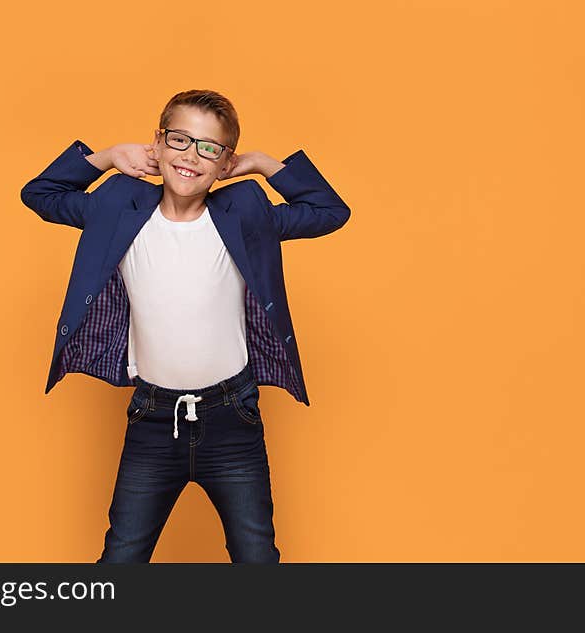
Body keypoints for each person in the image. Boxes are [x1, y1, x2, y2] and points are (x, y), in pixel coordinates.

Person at [20, 89, 350, 562]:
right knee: (122, 557)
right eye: (179, 140)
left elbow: (330, 211)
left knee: (256, 556)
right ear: (157, 144)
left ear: (224, 163)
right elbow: (40, 194)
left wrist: (260, 162)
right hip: (153, 420)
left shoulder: (244, 215)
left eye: (209, 147)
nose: (190, 156)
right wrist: (109, 156)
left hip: (232, 418)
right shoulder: (118, 209)